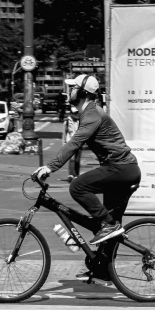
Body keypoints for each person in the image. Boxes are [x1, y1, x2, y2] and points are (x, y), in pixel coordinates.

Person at [33, 73, 141, 249]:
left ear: (82, 93)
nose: (69, 91)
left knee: (78, 187)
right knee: (107, 232)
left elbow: (75, 142)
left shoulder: (92, 114)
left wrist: (50, 167)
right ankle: (102, 272)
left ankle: (109, 225)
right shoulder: (89, 113)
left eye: (73, 87)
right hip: (121, 168)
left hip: (121, 168)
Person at [63, 106, 81, 182]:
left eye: (77, 113)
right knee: (72, 159)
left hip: (79, 142)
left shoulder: (80, 121)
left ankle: (76, 174)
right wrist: (64, 143)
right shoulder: (67, 121)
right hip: (70, 142)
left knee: (77, 160)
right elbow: (64, 133)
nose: (76, 114)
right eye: (74, 113)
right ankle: (71, 175)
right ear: (71, 113)